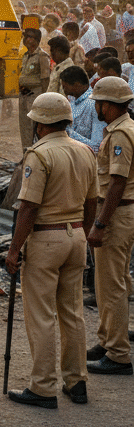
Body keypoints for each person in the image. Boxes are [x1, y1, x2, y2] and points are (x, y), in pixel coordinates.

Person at [4, 92, 97, 408]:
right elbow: (92, 201)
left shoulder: (40, 154)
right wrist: (83, 229)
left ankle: (43, 387)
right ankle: (77, 382)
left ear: (40, 124)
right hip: (76, 237)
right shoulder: (84, 151)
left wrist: (14, 250)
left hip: (46, 239)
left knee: (42, 315)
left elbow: (29, 207)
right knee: (72, 313)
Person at [85, 76, 134, 376]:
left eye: (99, 104)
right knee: (111, 281)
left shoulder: (120, 135)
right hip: (123, 212)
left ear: (109, 105)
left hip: (116, 214)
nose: (97, 109)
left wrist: (101, 223)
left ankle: (117, 353)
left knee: (111, 284)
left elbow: (117, 182)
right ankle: (108, 339)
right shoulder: (125, 128)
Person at [19, 27, 51, 150]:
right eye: (26, 37)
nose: (27, 39)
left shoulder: (42, 56)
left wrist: (43, 99)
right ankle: (26, 152)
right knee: (24, 127)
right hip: (24, 95)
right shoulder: (26, 56)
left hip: (35, 96)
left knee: (35, 127)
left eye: (30, 37)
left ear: (36, 40)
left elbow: (45, 80)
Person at [60, 66, 104, 153]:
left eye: (65, 87)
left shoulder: (94, 104)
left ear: (77, 84)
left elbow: (97, 147)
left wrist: (68, 133)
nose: (64, 90)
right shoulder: (72, 102)